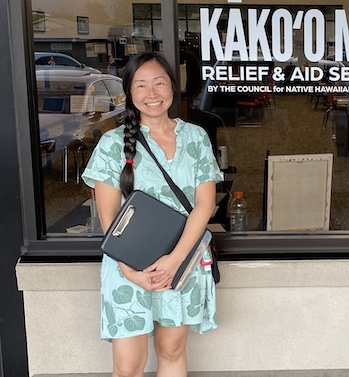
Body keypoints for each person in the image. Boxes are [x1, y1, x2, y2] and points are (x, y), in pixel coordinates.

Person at [82, 51, 223, 377]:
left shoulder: (195, 137)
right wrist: (130, 271)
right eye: (141, 85)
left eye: (159, 83)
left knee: (172, 350)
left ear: (173, 87)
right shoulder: (112, 143)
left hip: (182, 261)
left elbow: (205, 204)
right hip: (127, 266)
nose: (152, 93)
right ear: (129, 93)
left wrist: (174, 260)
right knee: (129, 365)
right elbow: (110, 220)